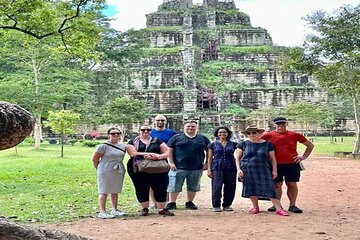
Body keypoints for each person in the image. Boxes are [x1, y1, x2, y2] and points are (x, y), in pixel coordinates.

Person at [261, 117, 314, 213]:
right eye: (278, 125)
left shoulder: (294, 135)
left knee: (292, 184)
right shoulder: (268, 135)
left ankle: (292, 205)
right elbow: (256, 143)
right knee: (277, 185)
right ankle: (276, 205)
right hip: (275, 164)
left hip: (292, 163)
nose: (281, 127)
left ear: (286, 124)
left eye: (283, 124)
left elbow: (310, 145)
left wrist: (303, 157)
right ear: (275, 125)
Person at [234, 125, 289, 216]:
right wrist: (238, 169)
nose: (252, 134)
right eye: (249, 133)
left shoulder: (268, 144)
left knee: (270, 187)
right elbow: (237, 158)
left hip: (264, 169)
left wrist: (274, 171)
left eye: (254, 132)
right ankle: (255, 207)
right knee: (251, 188)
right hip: (248, 169)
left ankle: (278, 208)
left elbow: (273, 159)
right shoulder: (243, 144)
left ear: (259, 133)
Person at [126, 125, 175, 216]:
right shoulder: (132, 142)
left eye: (148, 130)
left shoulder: (157, 140)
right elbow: (133, 153)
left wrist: (158, 157)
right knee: (141, 187)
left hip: (157, 168)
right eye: (143, 130)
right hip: (138, 169)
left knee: (160, 187)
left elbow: (167, 152)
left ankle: (161, 208)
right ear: (139, 131)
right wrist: (150, 153)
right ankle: (144, 208)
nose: (146, 131)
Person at [165, 120, 210, 210]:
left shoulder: (203, 139)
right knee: (174, 185)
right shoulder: (176, 138)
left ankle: (189, 202)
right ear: (184, 127)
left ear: (196, 127)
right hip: (178, 167)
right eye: (188, 126)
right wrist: (171, 162)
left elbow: (209, 150)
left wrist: (207, 163)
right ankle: (172, 202)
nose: (190, 128)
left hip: (196, 167)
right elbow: (169, 150)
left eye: (193, 126)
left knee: (193, 186)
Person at [92, 127, 127, 219]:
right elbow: (95, 159)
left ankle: (114, 209)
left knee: (115, 190)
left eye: (118, 133)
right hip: (105, 169)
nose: (116, 135)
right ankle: (102, 211)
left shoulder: (123, 146)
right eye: (113, 133)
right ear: (108, 135)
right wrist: (99, 168)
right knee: (103, 190)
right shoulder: (103, 146)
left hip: (118, 169)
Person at [149, 114, 177, 208]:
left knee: (167, 181)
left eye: (162, 120)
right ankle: (154, 202)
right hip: (153, 160)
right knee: (153, 182)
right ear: (154, 121)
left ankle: (167, 202)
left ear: (166, 122)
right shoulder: (149, 133)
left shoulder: (172, 133)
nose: (160, 122)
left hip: (168, 160)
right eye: (158, 120)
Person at [207, 126, 237, 212]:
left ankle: (227, 205)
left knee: (230, 186)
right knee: (217, 186)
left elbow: (238, 155)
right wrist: (209, 169)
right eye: (220, 132)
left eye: (224, 132)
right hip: (217, 167)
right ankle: (216, 205)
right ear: (217, 134)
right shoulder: (212, 145)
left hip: (231, 167)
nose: (222, 134)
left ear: (228, 134)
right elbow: (209, 158)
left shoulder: (234, 144)